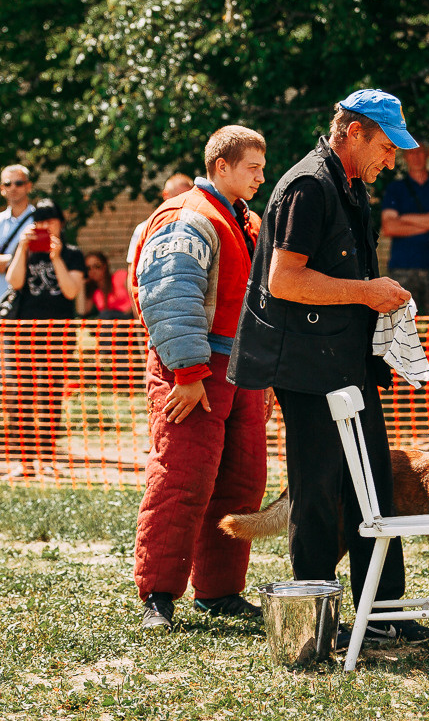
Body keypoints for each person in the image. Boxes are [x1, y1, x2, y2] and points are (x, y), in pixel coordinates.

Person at [228, 88, 429, 646]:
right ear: (355, 133)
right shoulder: (307, 186)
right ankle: (314, 622)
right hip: (307, 370)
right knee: (318, 495)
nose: (392, 159)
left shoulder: (352, 187)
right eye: (388, 146)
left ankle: (384, 614)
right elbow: (283, 279)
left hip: (350, 366)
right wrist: (367, 292)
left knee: (374, 490)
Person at [130, 125, 270, 630]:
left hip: (241, 371)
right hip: (195, 371)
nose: (260, 176)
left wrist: (265, 373)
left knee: (243, 480)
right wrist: (188, 373)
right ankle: (159, 596)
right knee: (182, 478)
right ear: (221, 167)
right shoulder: (189, 217)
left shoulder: (245, 221)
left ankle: (220, 591)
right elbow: (169, 295)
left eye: (261, 166)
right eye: (251, 167)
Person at [2, 198, 85, 476]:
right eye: (38, 221)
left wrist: (56, 257)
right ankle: (24, 461)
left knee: (51, 395)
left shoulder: (72, 253)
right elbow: (13, 282)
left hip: (58, 334)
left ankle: (48, 458)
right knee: (23, 396)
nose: (44, 226)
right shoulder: (23, 250)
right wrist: (23, 248)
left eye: (49, 220)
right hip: (23, 332)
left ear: (60, 223)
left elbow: (71, 291)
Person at [379, 140, 429, 317]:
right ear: (405, 157)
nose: (416, 157)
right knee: (403, 327)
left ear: (427, 154)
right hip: (403, 267)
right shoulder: (395, 189)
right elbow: (389, 227)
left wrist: (405, 218)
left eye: (420, 152)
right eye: (412, 153)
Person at [0, 164, 36, 312]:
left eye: (19, 183)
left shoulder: (41, 220)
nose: (13, 188)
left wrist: (2, 260)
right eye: (7, 184)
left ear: (29, 186)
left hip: (35, 301)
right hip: (4, 302)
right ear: (2, 189)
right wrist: (21, 261)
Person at [126, 173, 194, 266]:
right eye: (178, 197)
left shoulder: (195, 228)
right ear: (165, 195)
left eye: (188, 199)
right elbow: (133, 267)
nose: (183, 203)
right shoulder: (144, 229)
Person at [81, 252, 133, 319]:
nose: (93, 271)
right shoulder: (94, 291)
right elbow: (84, 311)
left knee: (105, 315)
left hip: (129, 317)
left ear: (105, 266)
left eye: (97, 266)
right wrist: (82, 283)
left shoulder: (120, 276)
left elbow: (135, 296)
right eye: (88, 268)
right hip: (111, 324)